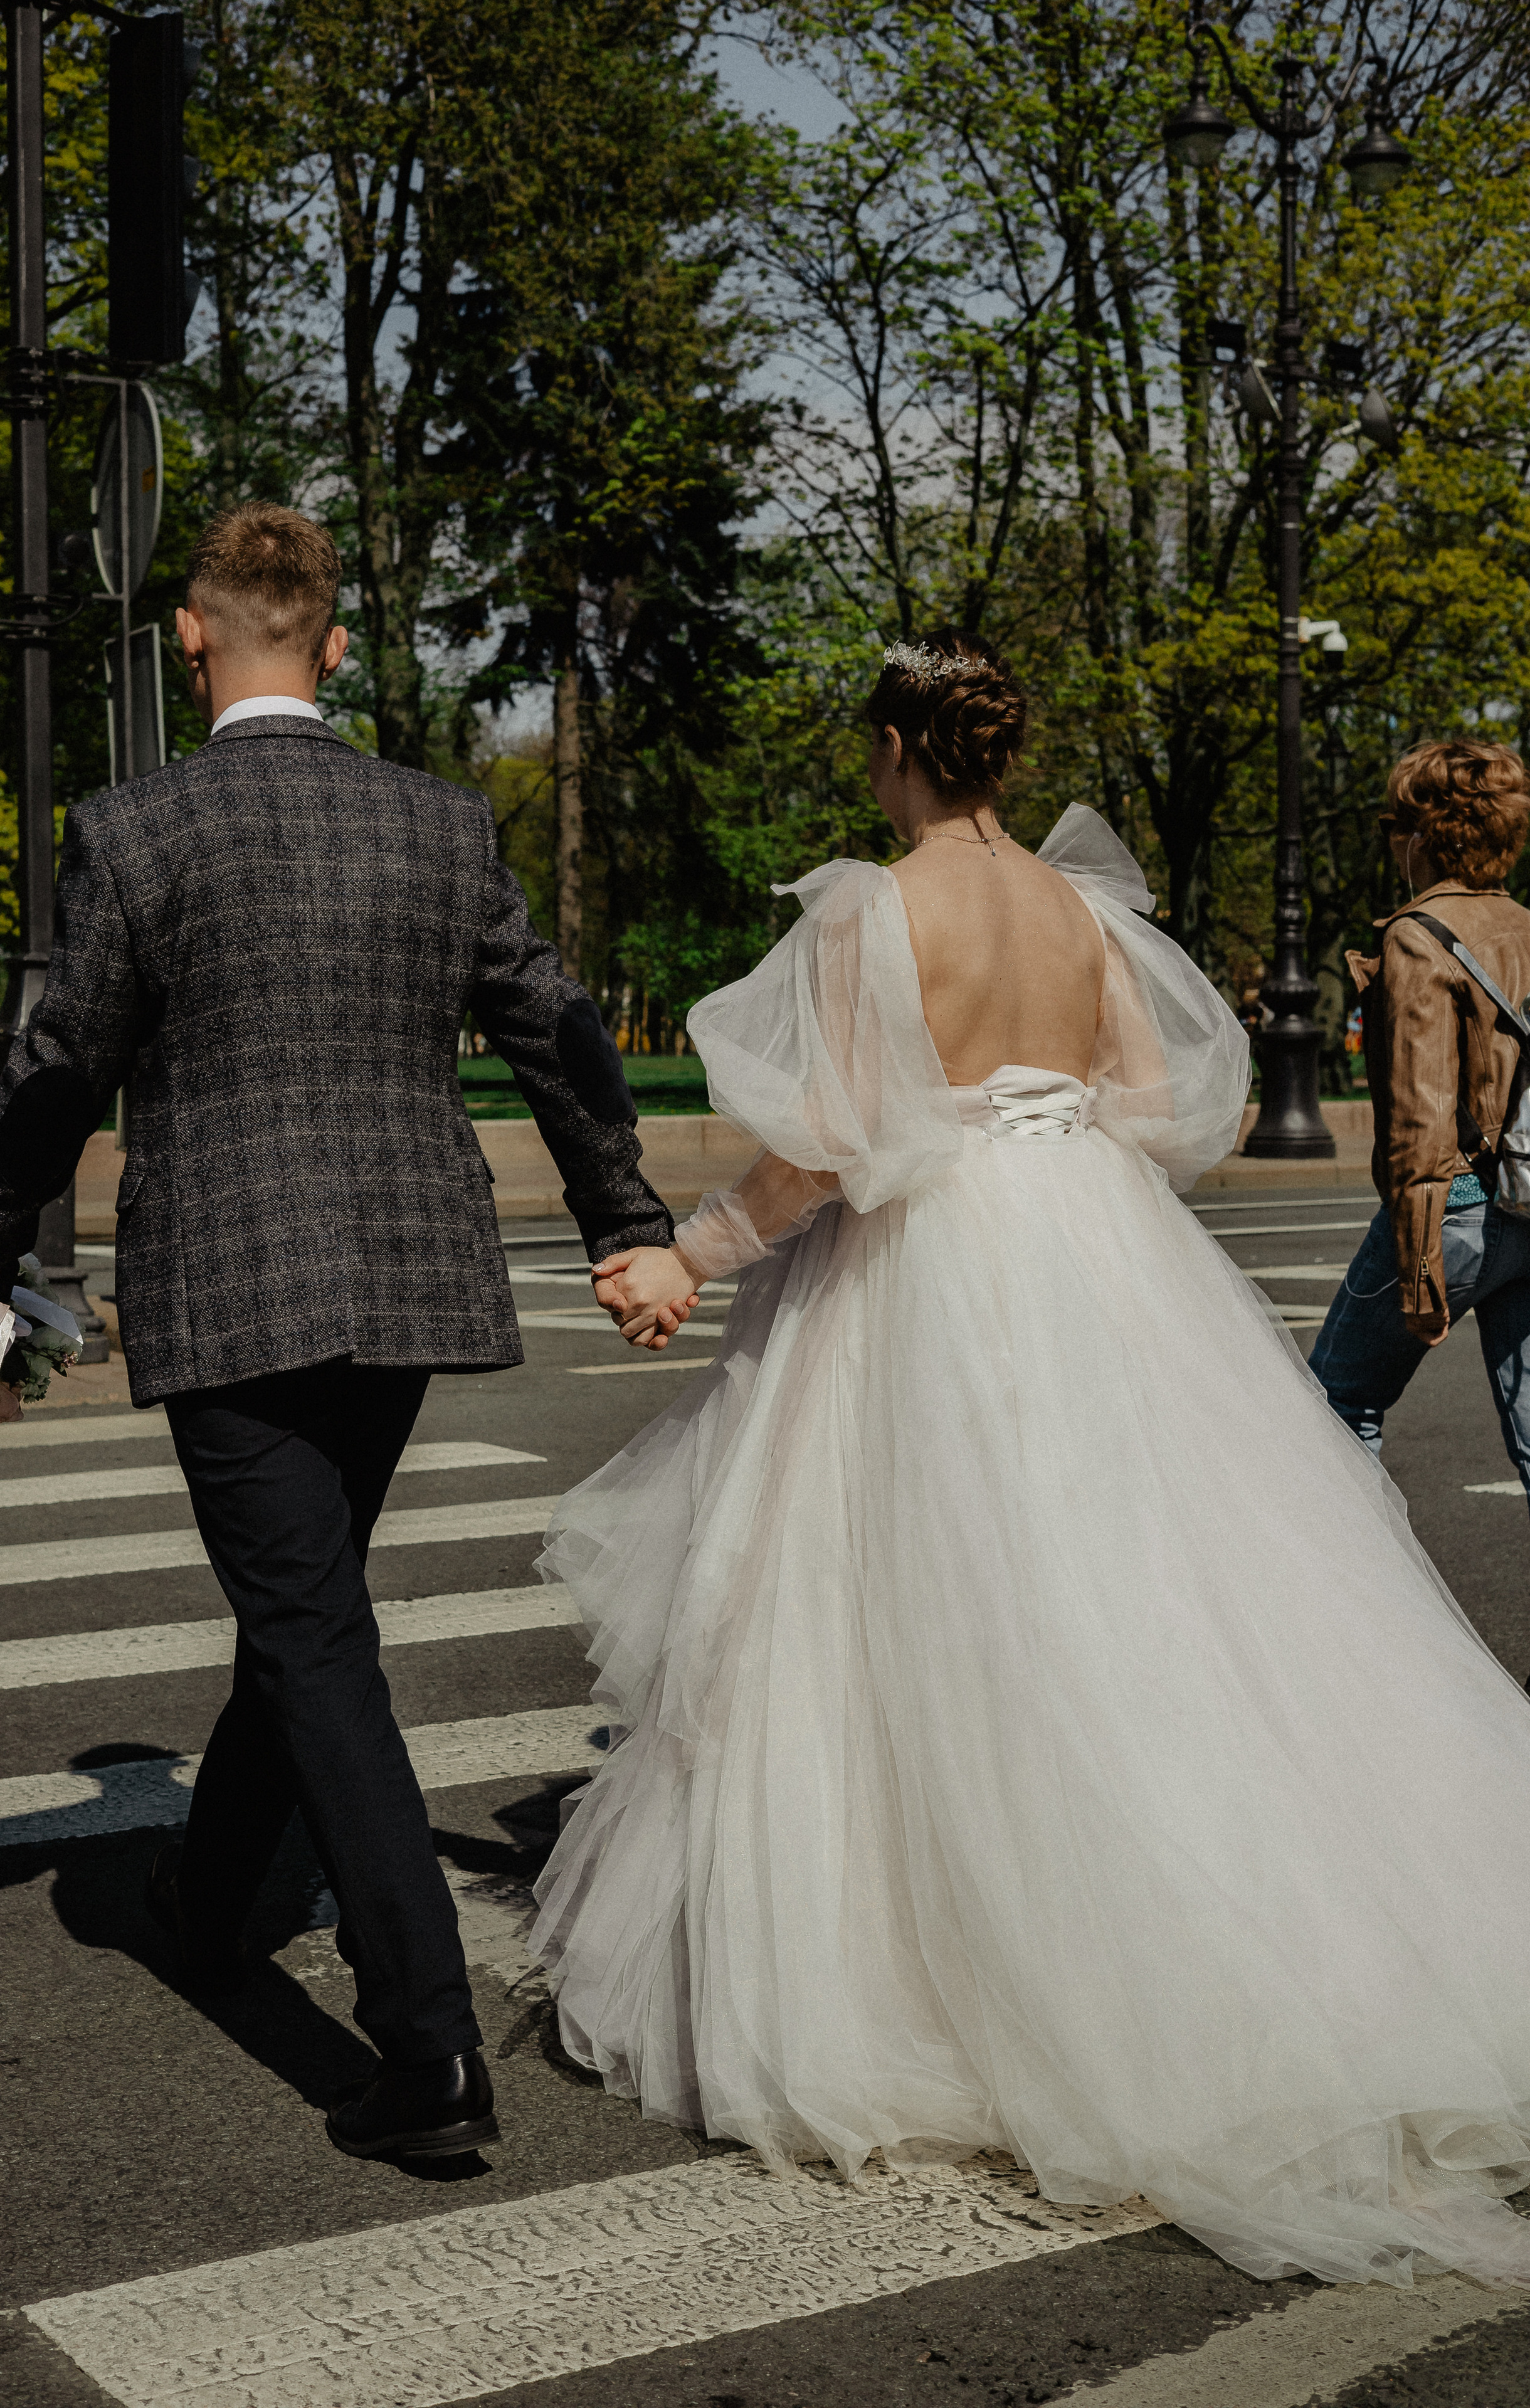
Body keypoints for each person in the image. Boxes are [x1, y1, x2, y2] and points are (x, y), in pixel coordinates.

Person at [525, 633, 1530, 2290]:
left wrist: (686, 1258)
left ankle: (973, 1973)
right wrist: (1039, 1142)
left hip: (936, 1261)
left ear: (905, 750)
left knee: (916, 1606)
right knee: (1146, 1599)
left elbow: (831, 1143)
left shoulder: (871, 909)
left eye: (873, 749)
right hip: (1088, 1242)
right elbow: (1151, 1102)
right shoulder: (1081, 911)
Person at [0, 501, 680, 2163]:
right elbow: (558, 1031)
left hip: (235, 1281)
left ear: (188, 639)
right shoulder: (435, 825)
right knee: (308, 1600)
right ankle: (208, 1900)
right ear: (335, 645)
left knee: (315, 1628)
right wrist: (625, 1218)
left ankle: (423, 2047)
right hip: (410, 1277)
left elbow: (59, 1064)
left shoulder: (140, 832)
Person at [1309, 742, 1530, 1499]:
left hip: (1455, 1209)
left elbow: (1418, 1118)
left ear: (1423, 835)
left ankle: (1373, 1607)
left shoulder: (1417, 935)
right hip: (1529, 1200)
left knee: (1335, 1405)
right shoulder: (1527, 926)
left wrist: (1417, 1268)